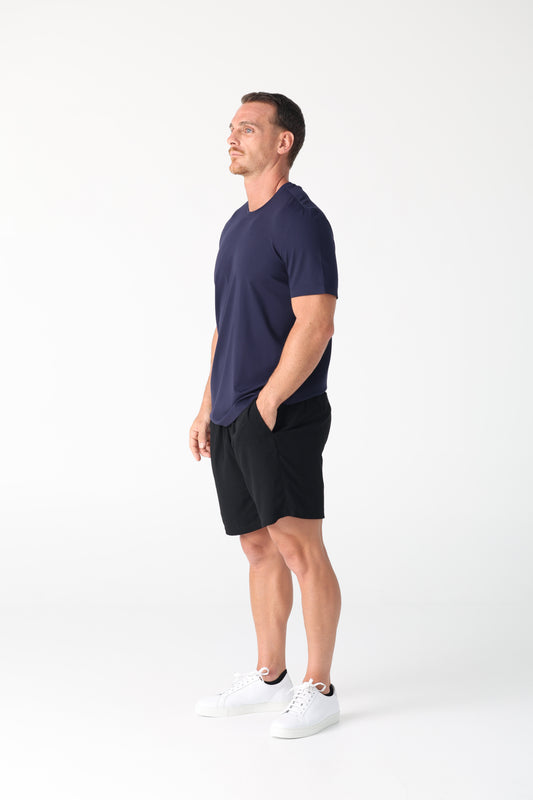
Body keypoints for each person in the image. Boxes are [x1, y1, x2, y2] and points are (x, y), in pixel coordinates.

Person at [189, 91, 341, 739]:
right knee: (256, 547)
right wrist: (208, 405)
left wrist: (269, 402)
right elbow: (227, 325)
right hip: (233, 412)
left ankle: (319, 687)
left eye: (247, 128)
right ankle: (269, 673)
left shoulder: (300, 220)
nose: (232, 137)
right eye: (231, 128)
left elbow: (317, 322)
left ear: (283, 142)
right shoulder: (236, 223)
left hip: (282, 412)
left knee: (298, 547)